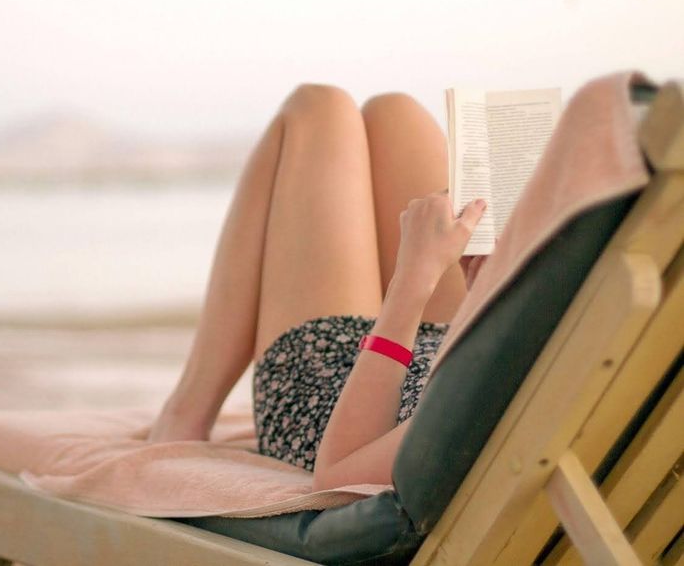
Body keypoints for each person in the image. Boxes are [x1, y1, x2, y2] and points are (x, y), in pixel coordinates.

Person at [146, 84, 488, 492]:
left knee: (317, 108)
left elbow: (341, 471)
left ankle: (186, 412)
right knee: (395, 112)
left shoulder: (494, 412)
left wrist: (413, 276)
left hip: (330, 388)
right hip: (452, 349)